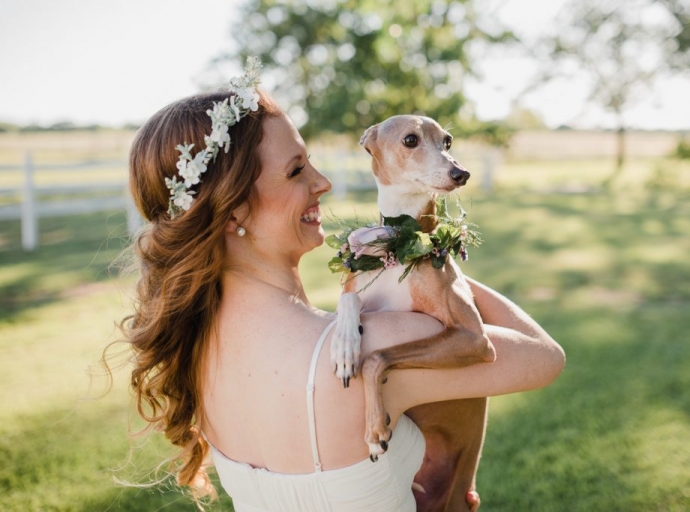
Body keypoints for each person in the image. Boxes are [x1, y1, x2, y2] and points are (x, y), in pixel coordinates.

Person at [118, 60, 565, 511]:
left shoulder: (198, 352)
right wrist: (428, 256)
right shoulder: (373, 344)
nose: (323, 182)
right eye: (296, 171)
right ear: (233, 211)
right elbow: (544, 356)